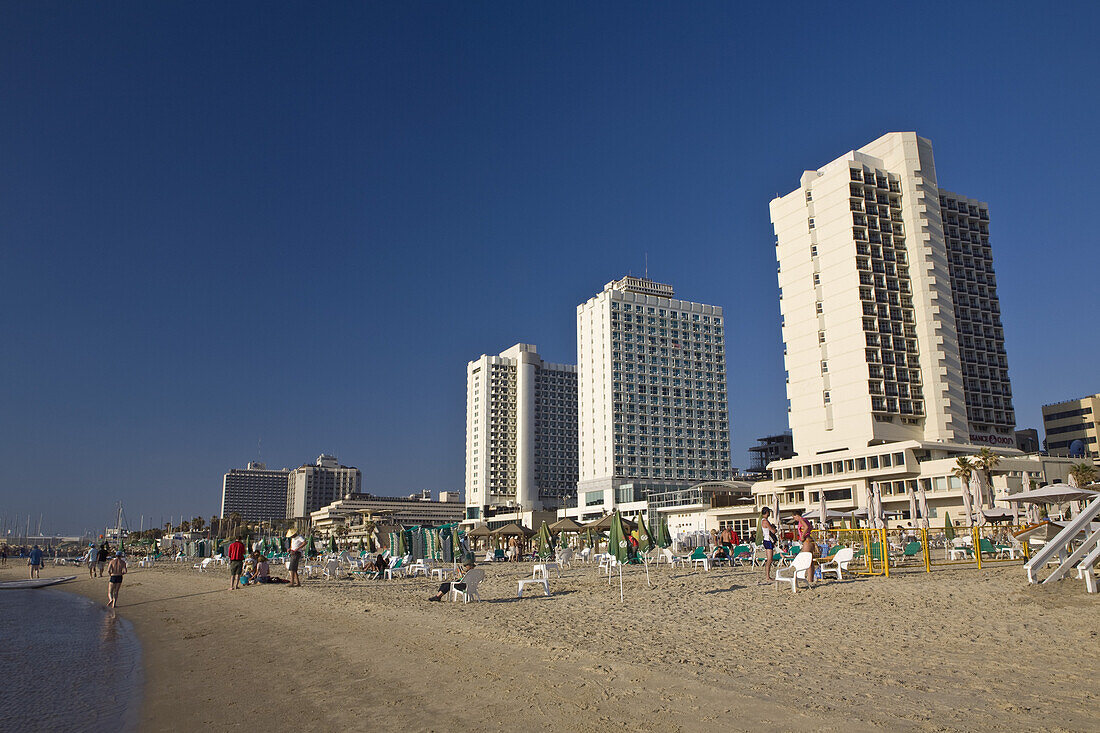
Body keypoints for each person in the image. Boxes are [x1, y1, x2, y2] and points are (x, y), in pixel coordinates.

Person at [795, 510, 816, 587]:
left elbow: (806, 527)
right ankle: (811, 579)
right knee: (810, 562)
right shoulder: (806, 520)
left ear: (797, 515)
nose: (794, 519)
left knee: (807, 561)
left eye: (794, 517)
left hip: (806, 541)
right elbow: (810, 527)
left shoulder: (801, 520)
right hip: (810, 540)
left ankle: (809, 579)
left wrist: (802, 536)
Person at [760, 507, 778, 583]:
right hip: (768, 540)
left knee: (769, 559)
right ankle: (767, 576)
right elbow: (772, 531)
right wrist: (775, 529)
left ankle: (768, 575)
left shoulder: (762, 520)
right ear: (766, 512)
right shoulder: (765, 521)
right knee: (769, 559)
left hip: (766, 540)